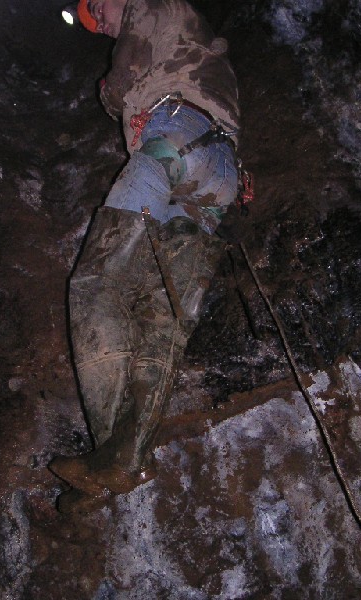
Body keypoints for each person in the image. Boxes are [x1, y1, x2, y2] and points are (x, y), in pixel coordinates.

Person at [50, 0, 240, 508]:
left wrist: (111, 98)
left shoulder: (148, 5)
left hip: (172, 141)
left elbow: (124, 80)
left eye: (99, 12)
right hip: (220, 171)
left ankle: (110, 452)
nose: (104, 27)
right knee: (163, 316)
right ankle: (121, 458)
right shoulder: (199, 44)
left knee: (98, 281)